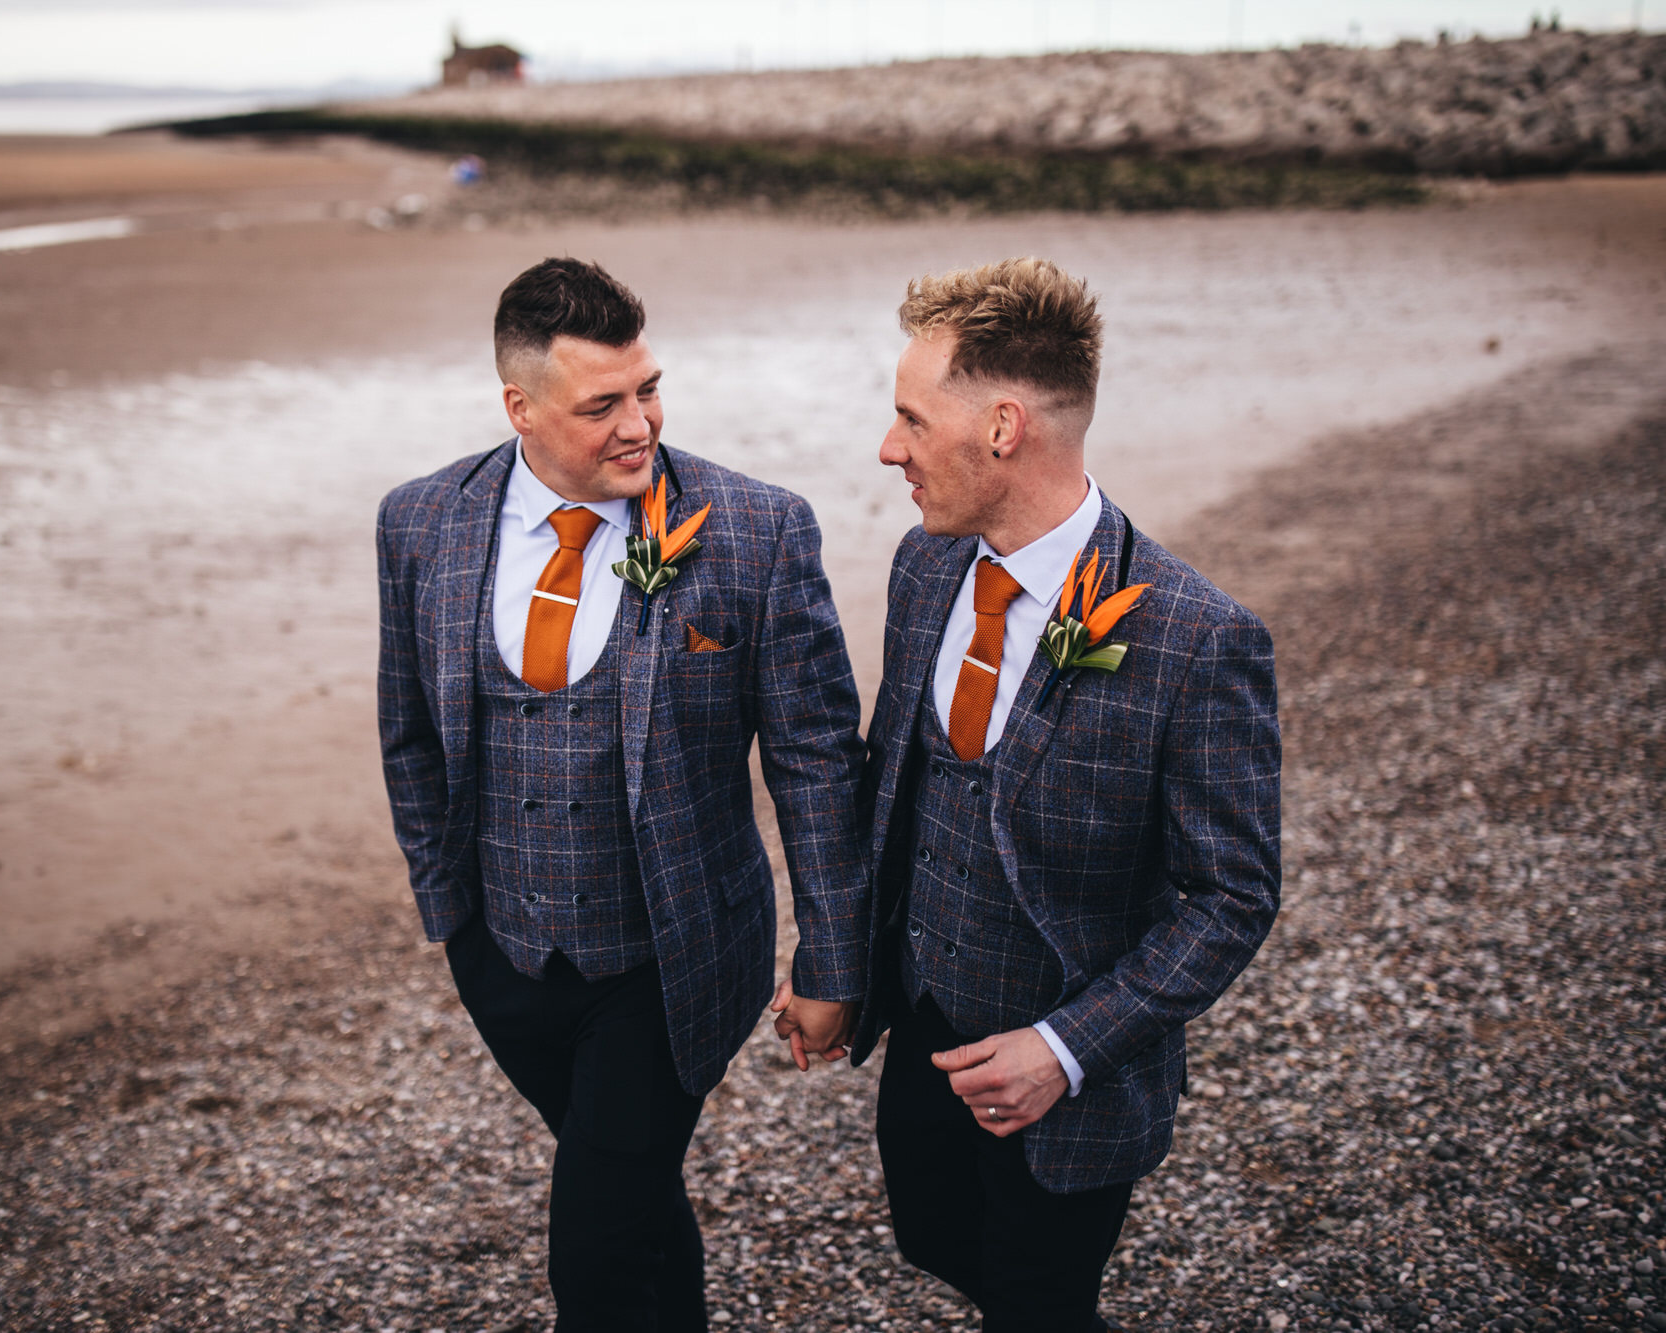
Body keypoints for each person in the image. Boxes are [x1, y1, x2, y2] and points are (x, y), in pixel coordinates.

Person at [375, 257, 867, 1330]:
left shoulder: (752, 530)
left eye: (647, 389)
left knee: (591, 1245)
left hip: (674, 956)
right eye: (600, 404)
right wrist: (447, 909)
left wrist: (834, 956)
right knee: (630, 1192)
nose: (637, 424)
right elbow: (407, 728)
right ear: (519, 406)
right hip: (502, 955)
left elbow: (816, 760)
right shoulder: (419, 524)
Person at [844, 258, 1282, 1329]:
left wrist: (1065, 1048)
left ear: (1002, 426)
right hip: (925, 1024)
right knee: (934, 1239)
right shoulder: (922, 568)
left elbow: (1230, 897)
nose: (887, 447)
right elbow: (890, 791)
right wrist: (835, 962)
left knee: (1038, 1300)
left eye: (909, 418)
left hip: (1071, 1085)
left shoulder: (1195, 638)